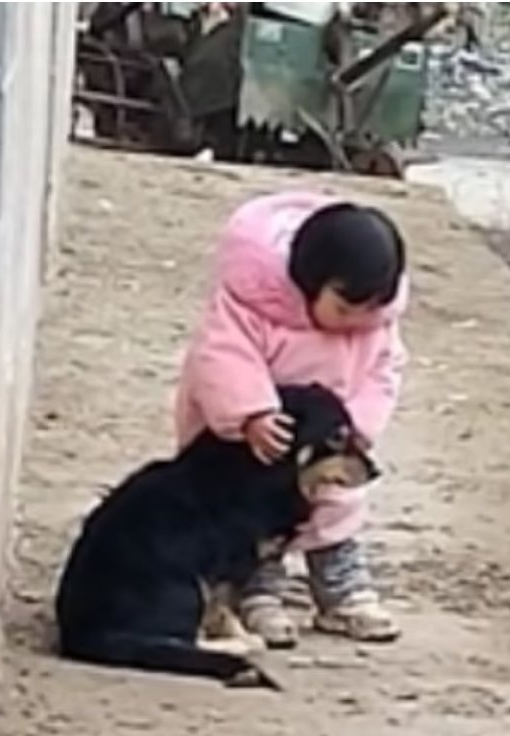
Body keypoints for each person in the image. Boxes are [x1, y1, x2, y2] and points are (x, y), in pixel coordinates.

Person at [175, 193, 408, 647]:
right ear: (308, 282)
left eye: (370, 310)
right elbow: (222, 354)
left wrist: (359, 424)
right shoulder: (254, 302)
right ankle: (258, 590)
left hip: (325, 444)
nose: (356, 322)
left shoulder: (375, 323)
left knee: (337, 500)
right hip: (255, 441)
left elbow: (386, 369)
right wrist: (251, 412)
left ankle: (340, 587)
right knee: (253, 515)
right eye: (343, 309)